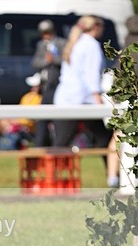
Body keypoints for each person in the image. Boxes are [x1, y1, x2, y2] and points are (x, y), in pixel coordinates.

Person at [52, 15, 112, 154]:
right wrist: (99, 102)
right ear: (95, 27)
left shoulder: (75, 42)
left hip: (65, 98)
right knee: (105, 140)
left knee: (61, 143)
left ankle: (49, 174)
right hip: (84, 101)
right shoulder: (91, 45)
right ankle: (113, 175)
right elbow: (92, 76)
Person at [31, 19, 66, 147]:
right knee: (42, 117)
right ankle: (39, 144)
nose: (46, 36)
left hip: (57, 85)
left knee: (56, 117)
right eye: (43, 33)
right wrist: (46, 61)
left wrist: (54, 60)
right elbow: (35, 62)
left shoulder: (62, 43)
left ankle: (58, 143)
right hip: (45, 85)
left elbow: (66, 60)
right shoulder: (41, 45)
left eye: (48, 33)